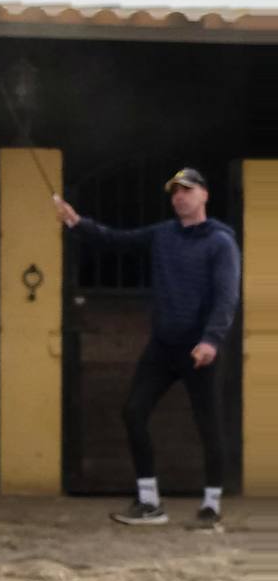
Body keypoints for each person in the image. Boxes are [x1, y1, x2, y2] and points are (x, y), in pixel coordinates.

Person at [53, 167, 240, 527]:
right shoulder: (163, 234)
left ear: (204, 195)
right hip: (164, 345)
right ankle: (149, 501)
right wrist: (76, 222)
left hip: (200, 349)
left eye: (187, 190)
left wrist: (211, 340)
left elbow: (227, 296)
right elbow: (116, 241)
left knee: (209, 424)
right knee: (133, 411)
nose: (179, 197)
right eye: (175, 192)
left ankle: (212, 506)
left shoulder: (220, 242)